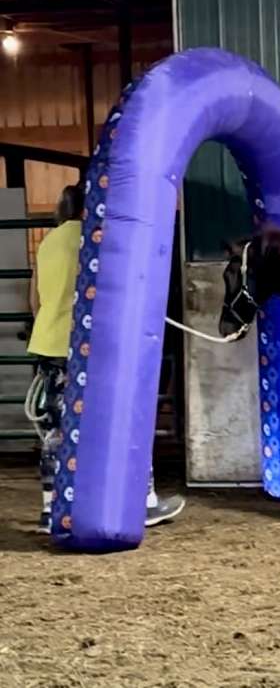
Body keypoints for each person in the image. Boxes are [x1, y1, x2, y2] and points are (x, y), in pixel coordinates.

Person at [28, 183, 185, 534]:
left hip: (49, 348)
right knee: (128, 419)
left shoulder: (48, 242)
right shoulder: (95, 240)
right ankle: (143, 502)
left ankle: (49, 509)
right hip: (90, 350)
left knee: (55, 433)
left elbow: (35, 301)